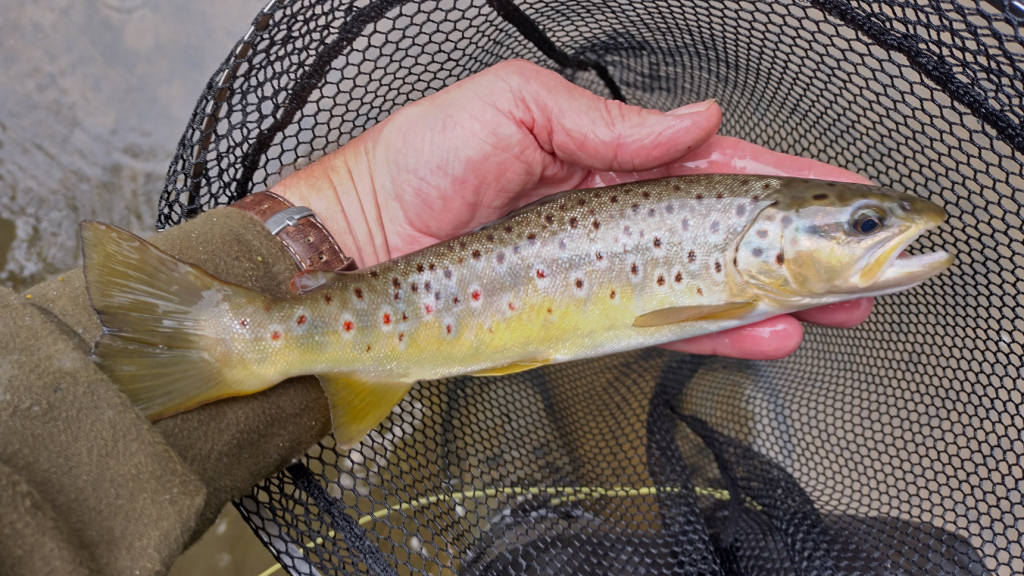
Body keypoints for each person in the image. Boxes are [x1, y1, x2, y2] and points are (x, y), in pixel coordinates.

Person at [0, 60, 874, 576]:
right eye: (866, 228)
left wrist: (357, 211)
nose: (879, 238)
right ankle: (240, 342)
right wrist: (360, 212)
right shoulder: (736, 272)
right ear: (773, 240)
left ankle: (242, 341)